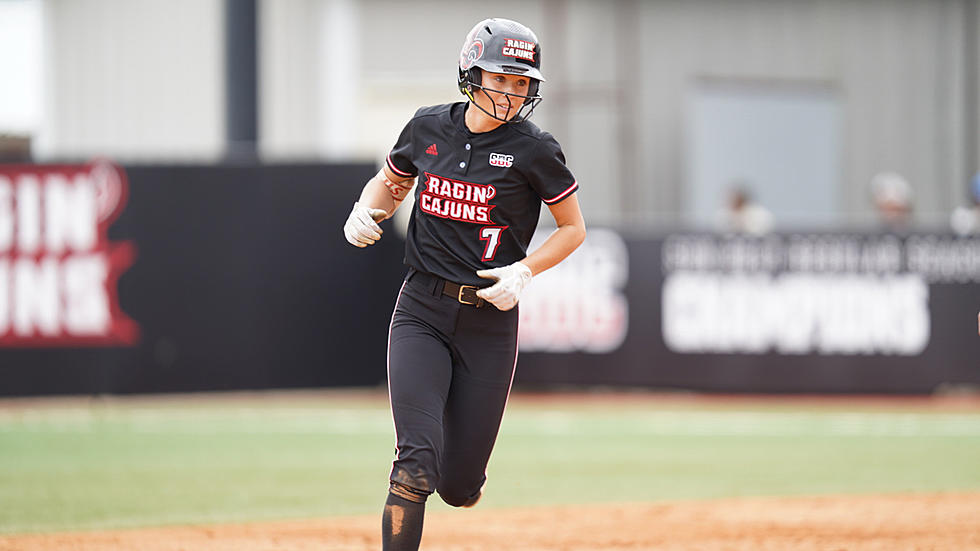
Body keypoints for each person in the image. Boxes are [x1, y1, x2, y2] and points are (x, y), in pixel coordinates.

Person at [342, 18, 586, 551]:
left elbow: (573, 229)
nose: (512, 91)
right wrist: (367, 208)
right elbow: (390, 183)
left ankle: (465, 479)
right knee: (414, 464)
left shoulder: (535, 148)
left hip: (488, 322)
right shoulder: (428, 127)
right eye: (502, 77)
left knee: (457, 485)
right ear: (471, 73)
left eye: (523, 83)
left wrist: (525, 270)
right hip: (421, 311)